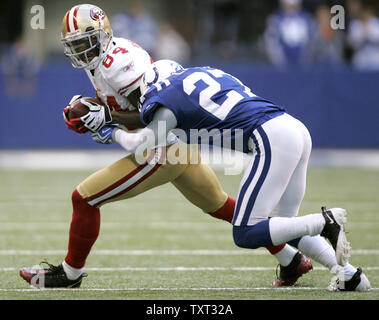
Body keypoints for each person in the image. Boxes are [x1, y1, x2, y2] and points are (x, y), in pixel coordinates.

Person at [18, 4, 303, 289]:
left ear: (102, 36)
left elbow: (150, 115)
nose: (81, 51)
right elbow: (124, 107)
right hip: (178, 147)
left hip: (164, 149)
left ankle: (69, 274)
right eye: (75, 45)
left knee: (84, 199)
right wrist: (89, 111)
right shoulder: (102, 57)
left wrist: (107, 119)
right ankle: (292, 260)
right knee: (224, 208)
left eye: (85, 43)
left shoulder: (120, 65)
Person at [92, 59, 371, 291]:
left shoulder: (164, 93)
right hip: (293, 128)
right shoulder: (203, 72)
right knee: (282, 226)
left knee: (246, 232)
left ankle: (324, 221)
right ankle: (349, 275)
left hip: (270, 138)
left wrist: (110, 132)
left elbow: (142, 144)